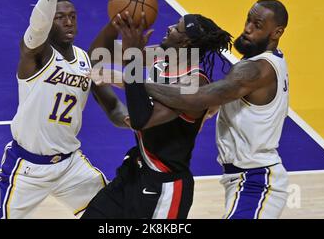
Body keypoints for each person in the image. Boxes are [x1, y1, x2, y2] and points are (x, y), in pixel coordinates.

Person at [0, 0, 128, 219]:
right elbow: (36, 28)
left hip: (70, 165)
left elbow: (111, 106)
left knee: (114, 214)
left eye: (73, 16)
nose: (69, 21)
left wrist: (130, 119)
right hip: (27, 167)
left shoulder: (85, 61)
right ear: (50, 21)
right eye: (61, 17)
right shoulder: (37, 55)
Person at [143, 0, 290, 219]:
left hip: (256, 180)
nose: (248, 28)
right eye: (248, 20)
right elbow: (217, 101)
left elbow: (198, 98)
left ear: (277, 32)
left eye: (257, 25)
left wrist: (135, 83)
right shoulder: (266, 62)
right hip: (243, 179)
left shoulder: (256, 69)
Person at [81, 12, 232, 219]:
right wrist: (116, 24)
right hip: (134, 173)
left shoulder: (194, 84)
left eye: (176, 27)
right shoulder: (161, 58)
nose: (169, 27)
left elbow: (142, 120)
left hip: (164, 187)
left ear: (186, 42)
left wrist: (130, 66)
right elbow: (98, 55)